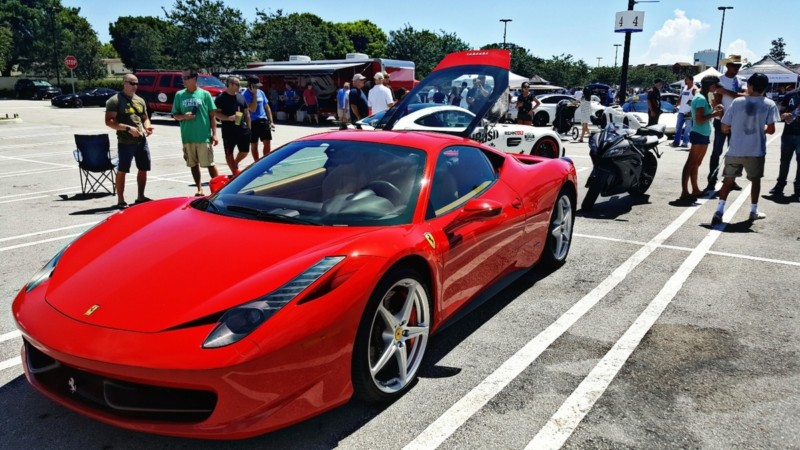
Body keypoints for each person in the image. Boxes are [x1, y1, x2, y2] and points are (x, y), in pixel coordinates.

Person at [711, 73, 779, 225]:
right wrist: (760, 128)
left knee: (728, 181)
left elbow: (724, 127)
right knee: (755, 181)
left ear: (750, 86)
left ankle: (719, 210)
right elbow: (772, 129)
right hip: (756, 151)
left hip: (735, 149)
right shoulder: (769, 104)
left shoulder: (737, 102)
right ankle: (753, 210)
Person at [104, 73, 153, 208]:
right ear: (124, 83)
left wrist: (147, 127)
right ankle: (121, 199)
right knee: (123, 170)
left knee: (143, 168)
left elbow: (145, 118)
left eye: (136, 83)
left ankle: (140, 196)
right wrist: (127, 128)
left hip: (141, 141)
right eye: (132, 83)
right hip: (125, 142)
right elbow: (109, 122)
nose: (135, 86)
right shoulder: (115, 100)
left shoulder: (140, 100)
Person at [172, 68, 219, 197]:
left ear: (194, 79)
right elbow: (175, 115)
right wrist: (184, 116)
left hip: (203, 136)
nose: (183, 81)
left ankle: (218, 189)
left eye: (186, 78)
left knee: (209, 164)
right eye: (182, 78)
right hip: (188, 136)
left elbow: (212, 115)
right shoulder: (179, 95)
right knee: (193, 164)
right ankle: (199, 189)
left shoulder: (205, 94)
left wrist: (214, 134)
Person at [680, 76, 721, 201]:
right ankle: (685, 191)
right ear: (710, 85)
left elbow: (702, 116)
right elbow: (699, 119)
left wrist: (714, 111)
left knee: (696, 163)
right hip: (699, 133)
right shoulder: (701, 98)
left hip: (703, 133)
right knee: (691, 163)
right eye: (715, 85)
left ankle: (695, 189)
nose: (716, 88)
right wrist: (714, 114)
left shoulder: (702, 97)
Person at [707, 61, 744, 191]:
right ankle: (712, 179)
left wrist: (727, 92)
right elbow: (718, 102)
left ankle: (730, 180)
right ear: (728, 66)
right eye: (735, 65)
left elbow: (746, 96)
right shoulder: (720, 80)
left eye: (739, 66)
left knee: (734, 153)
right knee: (717, 151)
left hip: (737, 122)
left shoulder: (740, 81)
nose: (737, 68)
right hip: (722, 121)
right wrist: (724, 121)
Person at [214, 76, 251, 175]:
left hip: (241, 128)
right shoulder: (221, 98)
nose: (239, 86)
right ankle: (234, 173)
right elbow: (216, 113)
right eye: (237, 84)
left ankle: (235, 164)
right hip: (228, 130)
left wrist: (249, 127)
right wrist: (228, 118)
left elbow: (246, 113)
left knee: (245, 151)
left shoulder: (240, 96)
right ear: (230, 84)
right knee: (229, 153)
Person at [769, 87, 800, 197]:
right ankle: (780, 185)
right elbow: (780, 113)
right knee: (784, 162)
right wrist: (785, 115)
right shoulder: (790, 95)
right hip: (788, 134)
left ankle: (798, 187)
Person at [243, 76, 275, 161]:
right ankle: (256, 162)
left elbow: (267, 107)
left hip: (263, 121)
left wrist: (271, 121)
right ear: (250, 85)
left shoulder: (261, 92)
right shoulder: (245, 95)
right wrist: (254, 95)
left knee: (267, 142)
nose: (257, 87)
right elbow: (252, 109)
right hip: (252, 122)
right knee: (254, 145)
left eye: (258, 86)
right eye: (255, 86)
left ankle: (265, 161)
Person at [671, 75, 696, 148]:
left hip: (688, 112)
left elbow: (695, 100)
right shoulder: (685, 88)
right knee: (678, 127)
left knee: (687, 128)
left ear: (691, 80)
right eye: (685, 80)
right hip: (681, 111)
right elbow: (681, 97)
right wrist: (676, 105)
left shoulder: (694, 89)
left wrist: (691, 109)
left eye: (686, 80)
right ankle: (676, 142)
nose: (685, 81)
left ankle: (685, 142)